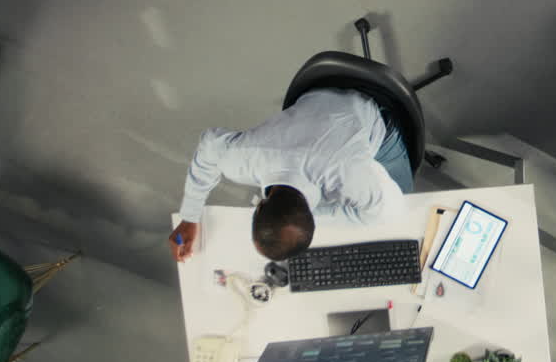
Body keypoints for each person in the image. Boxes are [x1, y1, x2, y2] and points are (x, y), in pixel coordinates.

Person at [167, 88, 411, 263]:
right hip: (313, 94)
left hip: (370, 109)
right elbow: (208, 146)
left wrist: (320, 217)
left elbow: (395, 209)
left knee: (407, 193)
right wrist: (190, 216)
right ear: (259, 207)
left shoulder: (350, 173)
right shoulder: (241, 160)